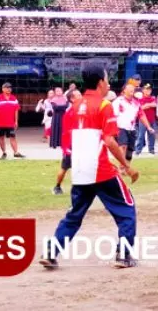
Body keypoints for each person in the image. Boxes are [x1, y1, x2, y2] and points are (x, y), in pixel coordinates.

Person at [40, 61, 141, 270]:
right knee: (127, 209)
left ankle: (51, 252)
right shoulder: (104, 106)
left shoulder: (73, 107)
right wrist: (127, 166)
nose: (109, 83)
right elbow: (111, 141)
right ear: (101, 81)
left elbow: (68, 141)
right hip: (101, 170)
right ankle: (124, 254)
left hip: (79, 169)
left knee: (74, 215)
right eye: (107, 79)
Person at [113, 83, 146, 162]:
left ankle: (127, 167)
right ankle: (121, 167)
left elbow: (141, 115)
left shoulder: (136, 102)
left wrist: (148, 127)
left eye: (133, 88)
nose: (132, 89)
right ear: (124, 90)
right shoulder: (118, 101)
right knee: (123, 146)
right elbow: (113, 115)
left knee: (129, 152)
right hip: (120, 127)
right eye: (130, 88)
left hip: (131, 128)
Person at [0, 83, 24, 159]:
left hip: (10, 122)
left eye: (10, 88)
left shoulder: (14, 98)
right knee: (1, 138)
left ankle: (16, 153)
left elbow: (16, 110)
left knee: (13, 137)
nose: (9, 89)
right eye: (7, 88)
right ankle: (4, 153)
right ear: (2, 89)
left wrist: (16, 121)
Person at [134, 84, 158, 156]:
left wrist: (147, 105)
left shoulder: (153, 97)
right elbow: (140, 108)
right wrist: (149, 104)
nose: (148, 91)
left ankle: (151, 150)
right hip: (142, 120)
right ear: (143, 90)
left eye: (149, 89)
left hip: (152, 119)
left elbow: (155, 104)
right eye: (146, 89)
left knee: (152, 135)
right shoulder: (140, 98)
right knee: (141, 135)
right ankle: (138, 150)